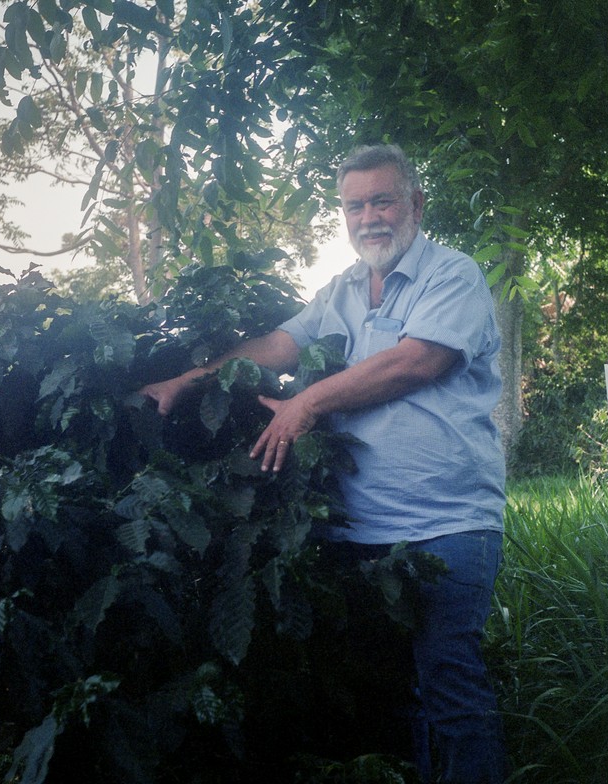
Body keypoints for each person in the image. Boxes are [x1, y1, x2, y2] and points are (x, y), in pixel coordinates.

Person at [140, 143, 507, 784]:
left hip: (449, 526)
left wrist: (305, 403)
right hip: (356, 532)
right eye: (355, 205)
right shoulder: (337, 292)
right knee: (391, 704)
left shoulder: (454, 276)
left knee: (452, 694)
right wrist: (189, 380)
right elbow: (277, 345)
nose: (370, 216)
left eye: (384, 199)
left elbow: (417, 360)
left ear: (416, 204)